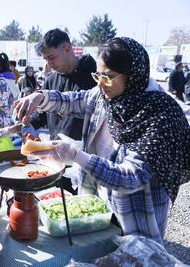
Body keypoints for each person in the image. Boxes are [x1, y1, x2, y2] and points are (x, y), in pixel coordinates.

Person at [14, 37, 190, 243]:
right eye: (98, 76)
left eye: (108, 77)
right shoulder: (104, 96)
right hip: (98, 206)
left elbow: (130, 177)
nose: (100, 84)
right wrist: (41, 97)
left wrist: (75, 155)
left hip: (134, 213)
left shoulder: (160, 113)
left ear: (132, 75)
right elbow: (72, 100)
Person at [30, 28, 97, 141]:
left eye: (51, 57)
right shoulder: (50, 81)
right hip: (54, 151)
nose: (49, 64)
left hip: (84, 154)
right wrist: (23, 124)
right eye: (46, 59)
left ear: (67, 48)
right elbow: (42, 117)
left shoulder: (94, 77)